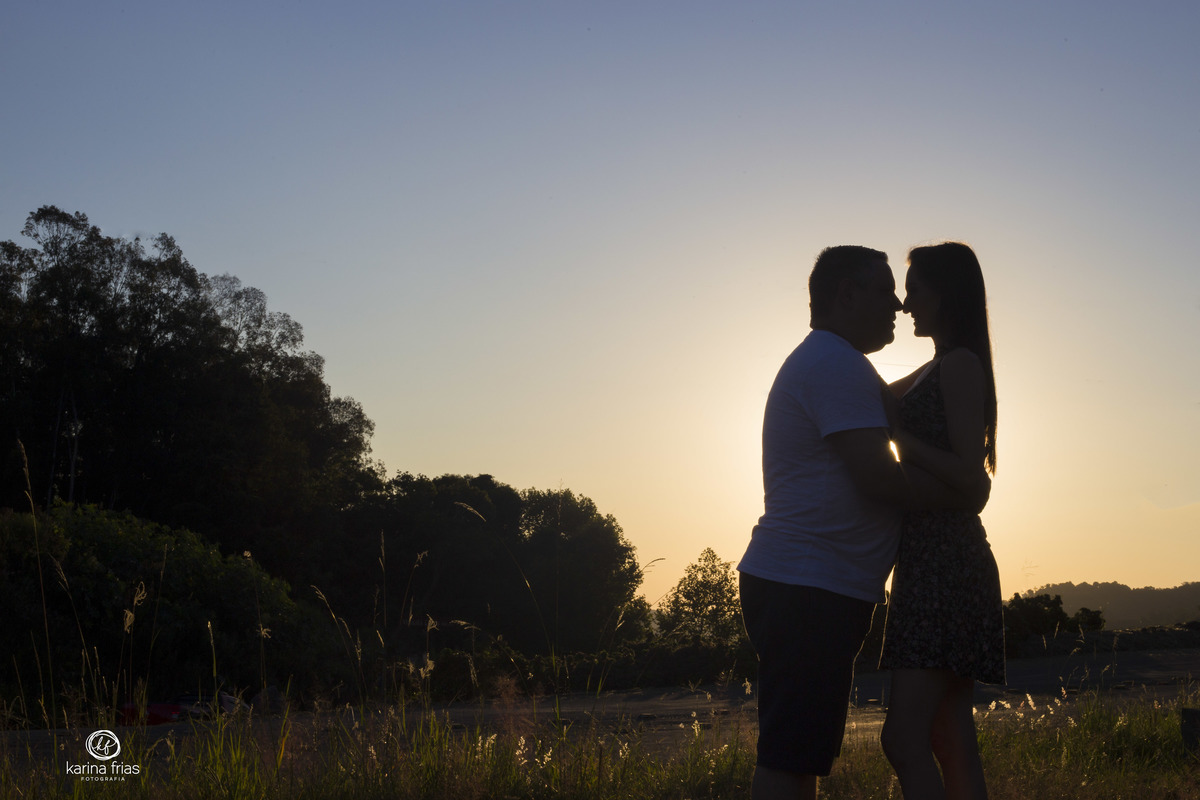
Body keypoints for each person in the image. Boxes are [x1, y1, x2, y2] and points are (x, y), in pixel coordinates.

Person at [737, 245, 989, 800]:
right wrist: (966, 495)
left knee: (799, 754)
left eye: (906, 290)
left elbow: (904, 416)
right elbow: (880, 479)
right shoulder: (835, 365)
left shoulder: (841, 365)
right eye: (884, 291)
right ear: (846, 295)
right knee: (791, 757)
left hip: (813, 584)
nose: (898, 304)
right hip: (808, 585)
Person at [878, 242, 1004, 800]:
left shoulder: (959, 366)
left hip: (945, 565)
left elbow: (973, 483)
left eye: (915, 290)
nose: (906, 304)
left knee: (904, 740)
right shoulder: (939, 365)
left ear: (946, 294)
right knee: (950, 736)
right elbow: (875, 398)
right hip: (930, 561)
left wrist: (899, 440)